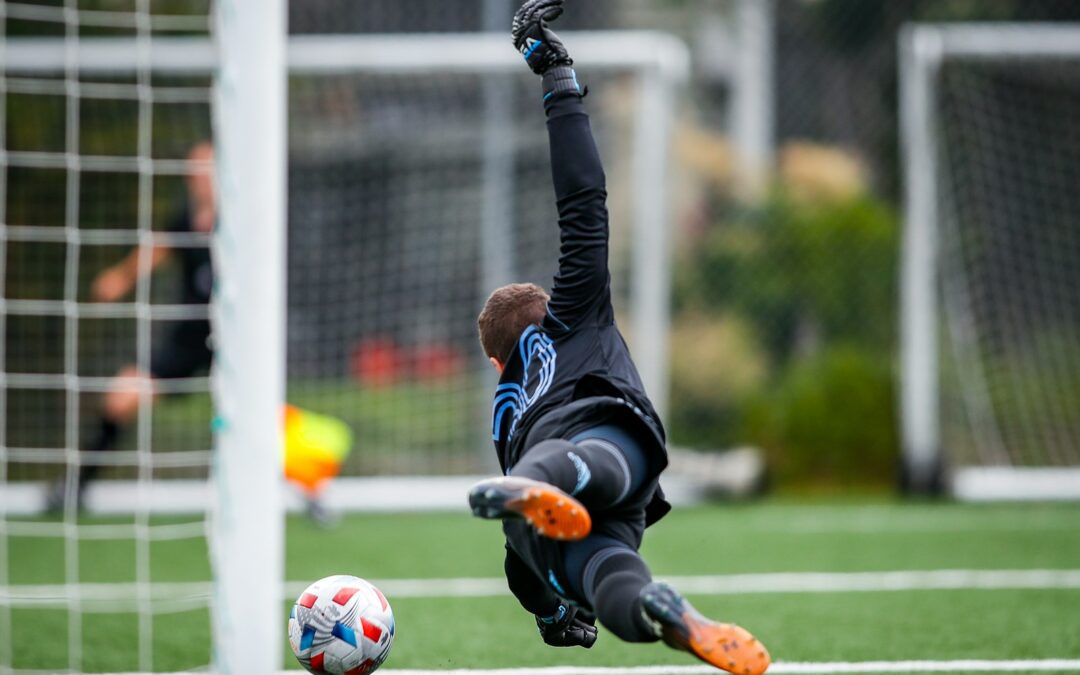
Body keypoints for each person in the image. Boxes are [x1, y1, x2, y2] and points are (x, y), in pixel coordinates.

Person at [466, 3, 771, 674]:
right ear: (548, 311)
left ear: (496, 363)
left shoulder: (505, 412)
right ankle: (562, 501)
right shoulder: (574, 316)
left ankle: (635, 593)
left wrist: (552, 617)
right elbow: (583, 204)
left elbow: (519, 572)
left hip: (541, 505)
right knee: (593, 463)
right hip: (613, 443)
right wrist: (557, 76)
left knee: (606, 582)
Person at [46, 142, 216, 513]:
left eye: (206, 170)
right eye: (194, 171)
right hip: (188, 341)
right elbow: (157, 247)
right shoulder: (185, 220)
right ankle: (76, 487)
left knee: (267, 416)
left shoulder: (242, 226)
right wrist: (120, 279)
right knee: (121, 394)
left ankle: (312, 488)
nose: (199, 178)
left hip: (236, 346)